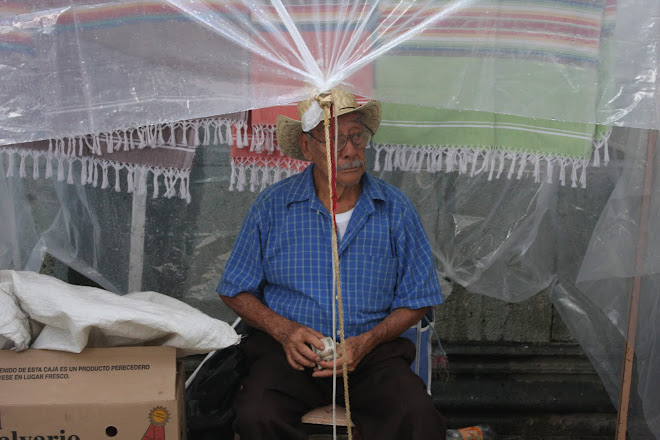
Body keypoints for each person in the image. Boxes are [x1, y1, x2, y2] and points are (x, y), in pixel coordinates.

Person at [218, 88, 446, 440]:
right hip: (290, 356)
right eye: (335, 139)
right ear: (307, 148)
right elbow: (234, 290)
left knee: (418, 417)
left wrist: (365, 342)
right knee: (256, 416)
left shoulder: (396, 209)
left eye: (357, 136)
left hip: (371, 356)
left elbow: (419, 298)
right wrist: (285, 331)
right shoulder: (273, 207)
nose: (351, 150)